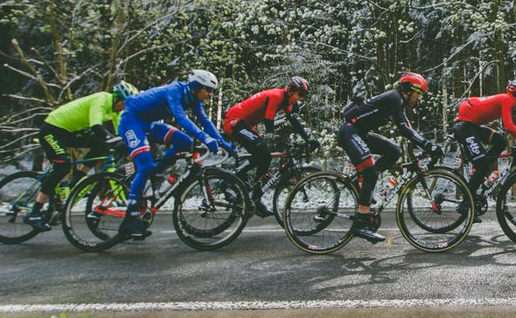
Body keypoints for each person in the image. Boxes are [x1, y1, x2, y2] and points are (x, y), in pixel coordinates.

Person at [116, 69, 234, 240]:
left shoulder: (193, 99)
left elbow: (205, 122)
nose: (210, 94)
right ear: (196, 86)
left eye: (212, 91)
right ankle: (130, 219)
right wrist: (205, 138)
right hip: (131, 121)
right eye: (208, 90)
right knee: (145, 165)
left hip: (148, 123)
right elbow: (181, 119)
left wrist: (223, 142)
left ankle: (155, 171)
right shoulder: (175, 91)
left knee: (185, 142)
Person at [337, 72, 442, 243]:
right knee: (371, 172)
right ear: (409, 90)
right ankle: (361, 223)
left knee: (393, 152)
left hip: (360, 133)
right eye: (419, 94)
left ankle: (364, 181)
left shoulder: (397, 102)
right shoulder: (395, 98)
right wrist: (428, 145)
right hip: (350, 131)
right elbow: (404, 129)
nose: (418, 99)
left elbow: (407, 127)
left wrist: (425, 143)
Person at [25, 81, 138, 231]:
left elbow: (121, 133)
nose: (125, 108)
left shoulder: (116, 111)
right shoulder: (101, 99)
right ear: (118, 98)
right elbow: (96, 126)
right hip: (52, 129)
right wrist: (112, 140)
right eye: (125, 103)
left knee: (100, 145)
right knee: (62, 165)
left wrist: (133, 147)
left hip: (69, 132)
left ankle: (75, 180)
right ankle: (35, 212)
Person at [223, 76, 320, 217]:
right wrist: (288, 117)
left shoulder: (284, 100)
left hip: (246, 124)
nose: (301, 99)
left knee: (265, 158)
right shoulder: (276, 96)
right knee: (263, 153)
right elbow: (269, 124)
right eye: (300, 94)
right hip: (235, 121)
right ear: (291, 90)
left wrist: (309, 139)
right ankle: (231, 180)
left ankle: (255, 198)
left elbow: (294, 122)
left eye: (303, 96)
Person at [453, 79, 516, 220]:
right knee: (482, 166)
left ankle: (480, 165)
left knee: (500, 141)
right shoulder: (507, 99)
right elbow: (509, 126)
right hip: (466, 126)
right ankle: (465, 203)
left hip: (471, 125)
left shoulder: (506, 99)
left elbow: (507, 128)